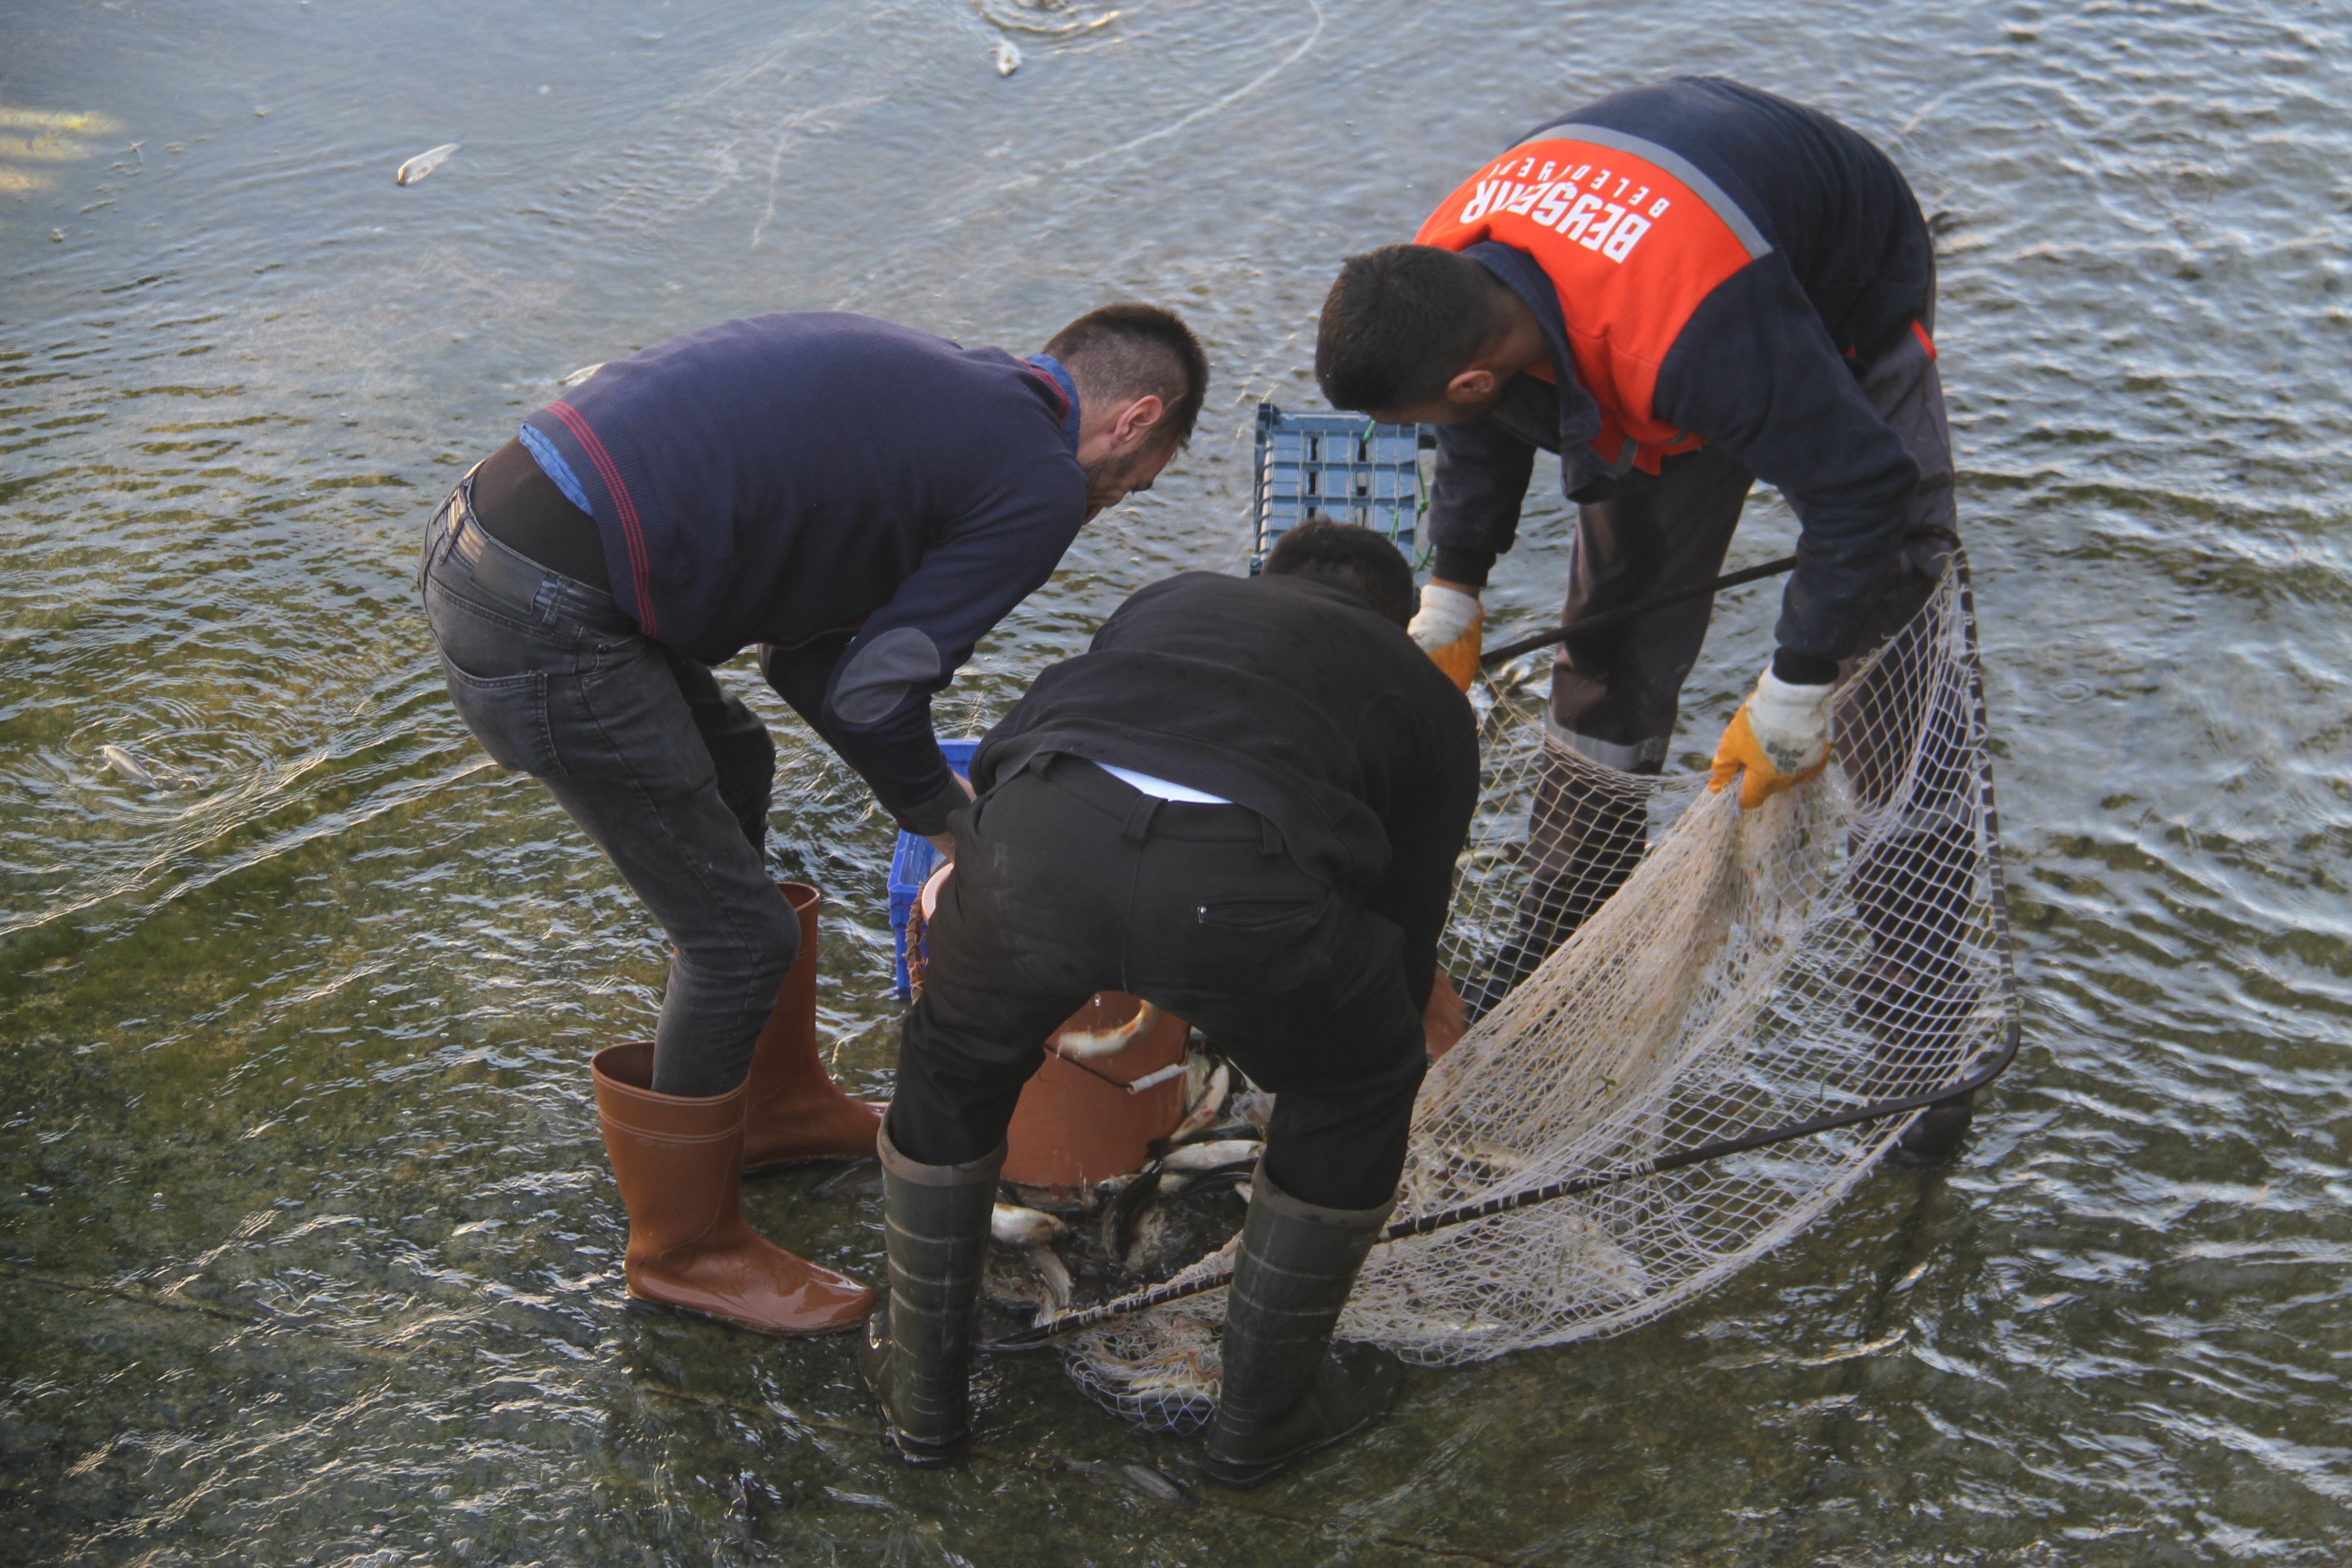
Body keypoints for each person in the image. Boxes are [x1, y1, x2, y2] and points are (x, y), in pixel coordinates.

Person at [418, 304, 1209, 1335]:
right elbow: (877, 695)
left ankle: (773, 1108)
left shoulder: (964, 408)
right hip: (546, 614)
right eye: (1133, 483)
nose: (1111, 503)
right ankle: (682, 1252)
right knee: (738, 939)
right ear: (1135, 419)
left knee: (737, 764)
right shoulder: (1041, 478)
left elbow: (809, 663)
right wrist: (955, 826)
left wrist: (934, 803)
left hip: (492, 538)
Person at [1314, 77, 1975, 1159]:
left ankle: (1919, 1016)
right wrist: (1453, 589)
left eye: (1416, 417)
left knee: (1885, 638)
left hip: (1835, 279)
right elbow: (1478, 423)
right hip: (1658, 285)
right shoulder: (1443, 269)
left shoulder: (1686, 336)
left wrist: (1796, 690)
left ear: (1471, 376)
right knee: (1612, 637)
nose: (1429, 424)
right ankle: (1565, 933)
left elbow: (1864, 488)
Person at [855, 521, 1478, 1483]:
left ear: (1265, 576)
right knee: (1358, 1089)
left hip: (1038, 840)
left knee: (951, 1062)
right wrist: (1363, 1038)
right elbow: (1406, 918)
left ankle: (922, 1402)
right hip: (1249, 893)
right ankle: (1261, 1425)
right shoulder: (1429, 696)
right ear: (1396, 622)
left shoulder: (1174, 596)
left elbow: (1021, 745)